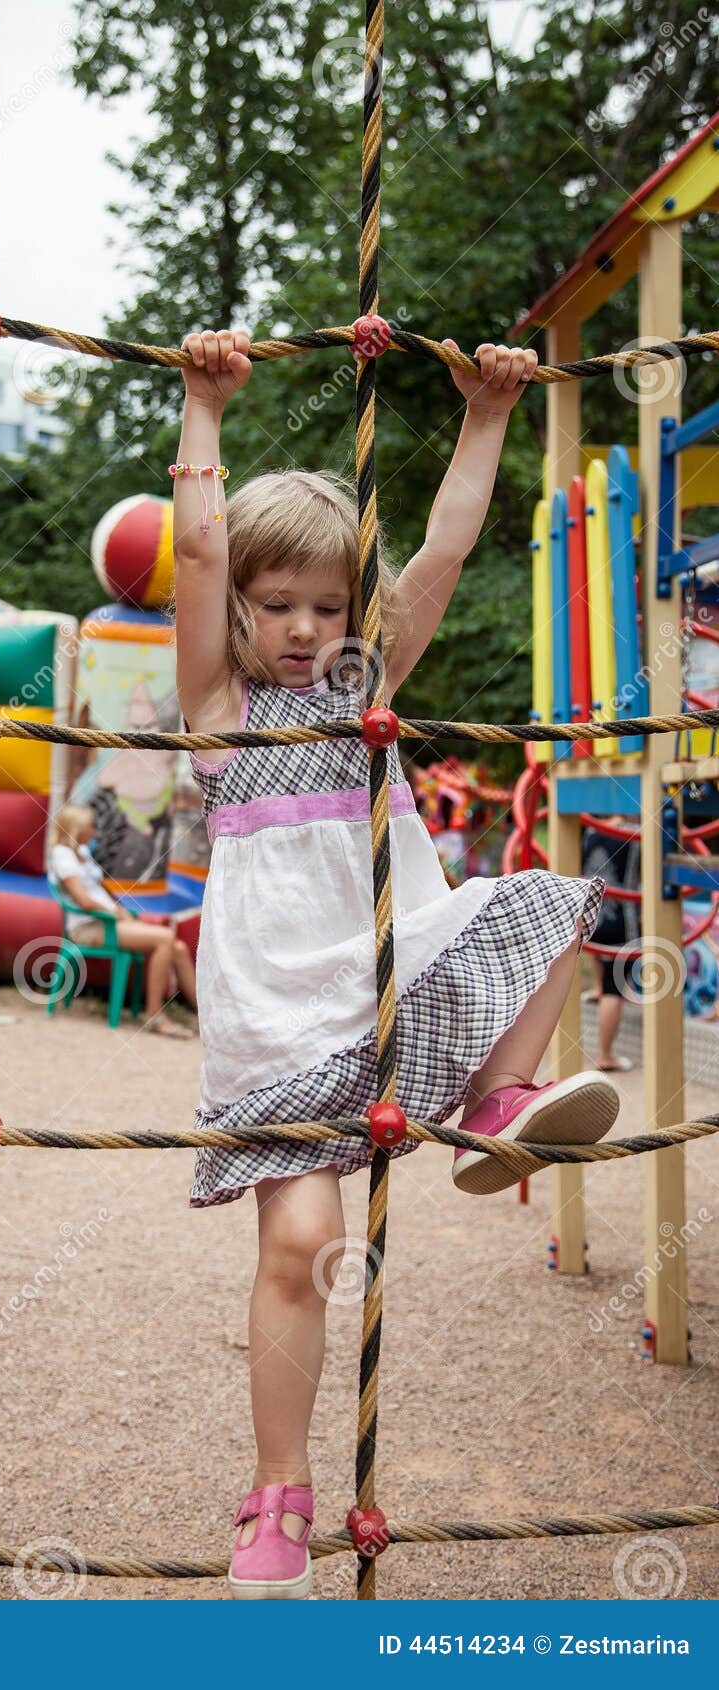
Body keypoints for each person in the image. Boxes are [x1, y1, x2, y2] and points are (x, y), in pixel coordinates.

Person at [172, 326, 615, 1600]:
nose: (305, 630)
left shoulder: (367, 685)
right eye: (278, 605)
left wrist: (483, 418)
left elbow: (441, 552)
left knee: (554, 904)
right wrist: (204, 409)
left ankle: (495, 1101)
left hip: (387, 967)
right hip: (280, 1018)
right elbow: (199, 547)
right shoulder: (219, 714)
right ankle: (278, 1494)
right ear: (240, 608)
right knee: (301, 1242)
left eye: (326, 605)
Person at [48, 805, 196, 1038]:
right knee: (166, 939)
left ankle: (206, 1015)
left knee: (178, 947)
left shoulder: (83, 853)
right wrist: (115, 914)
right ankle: (154, 1014)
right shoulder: (62, 856)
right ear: (75, 829)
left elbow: (99, 892)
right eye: (89, 826)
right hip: (90, 927)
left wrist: (121, 912)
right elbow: (84, 901)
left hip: (109, 921)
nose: (94, 831)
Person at [581, 818, 641, 1071]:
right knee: (613, 990)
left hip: (594, 913)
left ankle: (596, 987)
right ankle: (606, 1055)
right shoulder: (639, 834)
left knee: (599, 956)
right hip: (621, 917)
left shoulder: (594, 829)